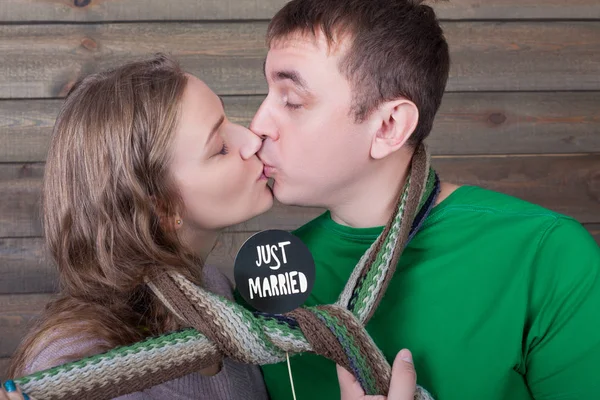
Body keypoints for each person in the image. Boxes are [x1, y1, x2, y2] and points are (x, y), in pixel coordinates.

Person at [4, 54, 420, 400]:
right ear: (163, 208)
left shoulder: (216, 291)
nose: (253, 139)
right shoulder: (76, 367)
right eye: (220, 147)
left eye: (228, 121)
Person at [246, 0, 600, 399]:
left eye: (291, 99)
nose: (257, 125)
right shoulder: (266, 278)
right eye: (267, 92)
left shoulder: (547, 258)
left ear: (389, 127)